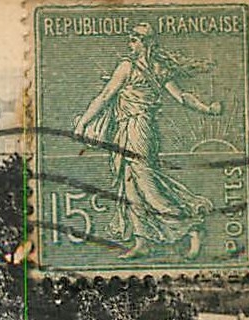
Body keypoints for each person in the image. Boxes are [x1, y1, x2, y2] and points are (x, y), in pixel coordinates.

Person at [72, 24, 223, 259]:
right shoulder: (148, 67)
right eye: (130, 39)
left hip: (139, 129)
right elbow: (181, 98)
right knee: (130, 185)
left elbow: (105, 97)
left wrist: (82, 123)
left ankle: (192, 227)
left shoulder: (131, 67)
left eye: (134, 40)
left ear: (146, 43)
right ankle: (142, 241)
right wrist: (208, 109)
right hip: (127, 130)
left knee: (147, 185)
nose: (130, 44)